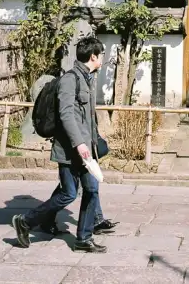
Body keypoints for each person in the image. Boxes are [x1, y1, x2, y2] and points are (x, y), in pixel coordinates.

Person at [12, 37, 116, 252]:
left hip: (87, 149)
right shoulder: (70, 80)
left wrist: (93, 143)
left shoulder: (87, 77)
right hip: (70, 150)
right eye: (101, 55)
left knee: (91, 189)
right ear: (93, 56)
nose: (102, 59)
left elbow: (85, 117)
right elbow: (66, 115)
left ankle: (83, 239)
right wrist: (79, 143)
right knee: (68, 193)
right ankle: (25, 221)